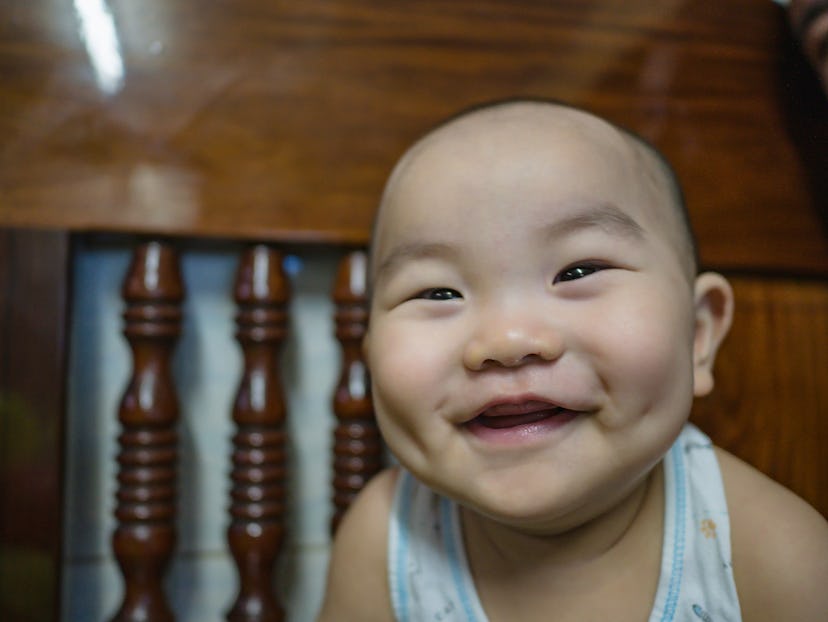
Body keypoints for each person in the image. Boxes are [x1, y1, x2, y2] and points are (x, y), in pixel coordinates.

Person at [317, 99, 828, 622]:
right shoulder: (384, 541)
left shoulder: (773, 559)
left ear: (696, 335)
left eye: (578, 272)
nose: (507, 340)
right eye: (439, 293)